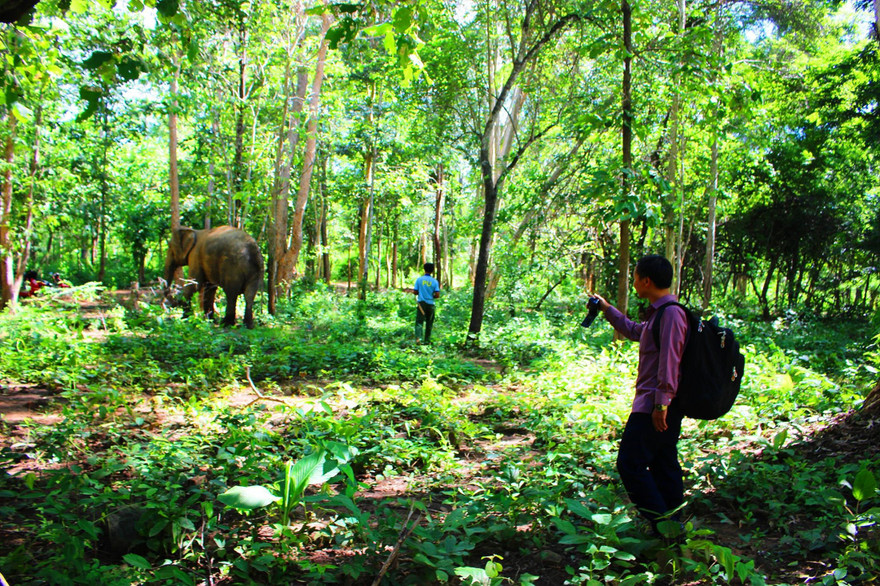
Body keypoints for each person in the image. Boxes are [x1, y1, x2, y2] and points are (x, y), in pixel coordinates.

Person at [590, 254, 689, 537]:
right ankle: (673, 523)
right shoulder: (658, 314)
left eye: (634, 277)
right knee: (663, 461)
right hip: (659, 403)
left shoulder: (670, 313)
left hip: (655, 405)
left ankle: (663, 525)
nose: (633, 282)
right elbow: (636, 331)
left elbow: (670, 359)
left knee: (630, 464)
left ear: (646, 281)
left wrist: (661, 403)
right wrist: (607, 309)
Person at [405, 263, 441, 344]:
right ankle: (427, 340)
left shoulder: (419, 280)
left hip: (421, 304)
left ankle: (418, 339)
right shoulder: (435, 281)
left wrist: (421, 293)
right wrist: (431, 296)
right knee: (429, 323)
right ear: (432, 271)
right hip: (431, 304)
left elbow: (415, 292)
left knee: (419, 322)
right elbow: (437, 294)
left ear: (424, 269)